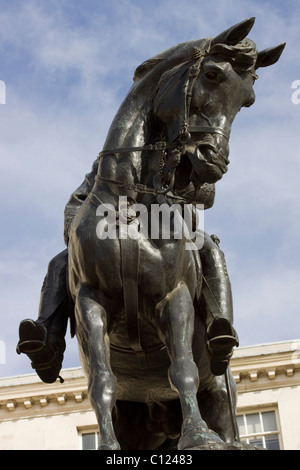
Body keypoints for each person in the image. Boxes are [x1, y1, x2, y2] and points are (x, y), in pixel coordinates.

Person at [17, 159, 238, 382]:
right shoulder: (110, 160)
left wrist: (182, 176)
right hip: (111, 239)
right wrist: (77, 233)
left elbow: (206, 193)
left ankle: (218, 328)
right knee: (60, 262)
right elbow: (78, 199)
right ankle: (49, 340)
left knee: (210, 250)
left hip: (169, 234)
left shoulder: (177, 155)